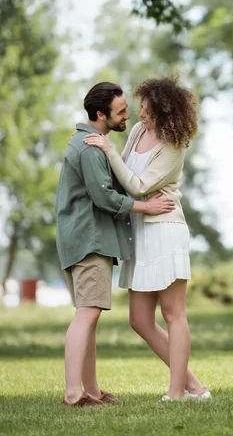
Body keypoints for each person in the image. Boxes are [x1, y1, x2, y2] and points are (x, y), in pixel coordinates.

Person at [83, 77, 210, 402]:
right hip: (139, 229)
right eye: (142, 107)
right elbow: (125, 174)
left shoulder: (174, 145)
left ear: (165, 112)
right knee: (139, 320)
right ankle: (194, 386)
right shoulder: (140, 131)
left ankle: (177, 393)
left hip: (165, 229)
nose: (142, 114)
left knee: (173, 314)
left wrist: (107, 149)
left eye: (149, 110)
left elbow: (138, 185)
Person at [56, 82, 175, 407]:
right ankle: (72, 394)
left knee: (88, 316)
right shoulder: (91, 148)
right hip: (90, 239)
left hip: (82, 238)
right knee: (87, 315)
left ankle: (91, 390)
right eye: (121, 112)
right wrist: (147, 207)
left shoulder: (88, 143)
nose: (128, 116)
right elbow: (105, 198)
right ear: (100, 114)